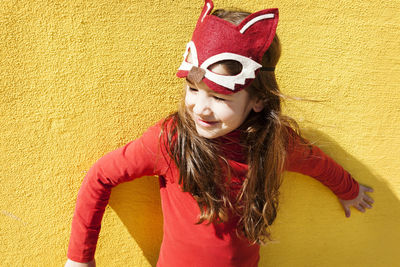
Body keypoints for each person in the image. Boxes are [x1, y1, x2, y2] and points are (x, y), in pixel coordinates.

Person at [65, 1, 374, 266]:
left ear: (257, 100)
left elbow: (315, 162)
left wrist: (348, 189)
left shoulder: (273, 143)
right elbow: (100, 176)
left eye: (220, 97)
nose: (200, 108)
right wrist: (80, 256)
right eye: (192, 89)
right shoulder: (172, 141)